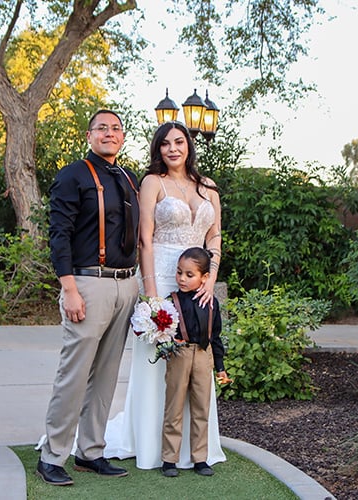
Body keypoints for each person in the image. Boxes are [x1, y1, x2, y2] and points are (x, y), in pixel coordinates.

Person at [103, 120, 226, 470]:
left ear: (188, 146)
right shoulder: (152, 183)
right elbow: (145, 238)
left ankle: (196, 449)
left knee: (197, 361)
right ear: (158, 149)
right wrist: (153, 295)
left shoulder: (208, 187)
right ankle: (152, 446)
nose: (173, 148)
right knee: (157, 365)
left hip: (200, 279)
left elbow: (214, 237)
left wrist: (210, 277)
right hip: (161, 276)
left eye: (179, 142)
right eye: (165, 144)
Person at [37, 109, 140, 486]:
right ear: (89, 135)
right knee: (74, 374)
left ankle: (90, 451)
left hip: (127, 284)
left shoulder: (129, 177)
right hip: (87, 283)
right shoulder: (73, 175)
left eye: (115, 128)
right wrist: (69, 288)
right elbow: (59, 233)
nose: (109, 134)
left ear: (123, 136)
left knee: (107, 374)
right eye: (102, 128)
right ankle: (52, 456)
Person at [161, 247, 228, 477]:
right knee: (174, 407)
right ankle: (169, 459)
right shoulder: (172, 300)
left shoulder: (211, 303)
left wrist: (220, 367)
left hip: (203, 356)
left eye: (189, 275)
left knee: (201, 408)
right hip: (179, 355)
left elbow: (216, 336)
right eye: (179, 273)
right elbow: (162, 331)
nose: (182, 278)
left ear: (204, 277)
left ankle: (200, 458)